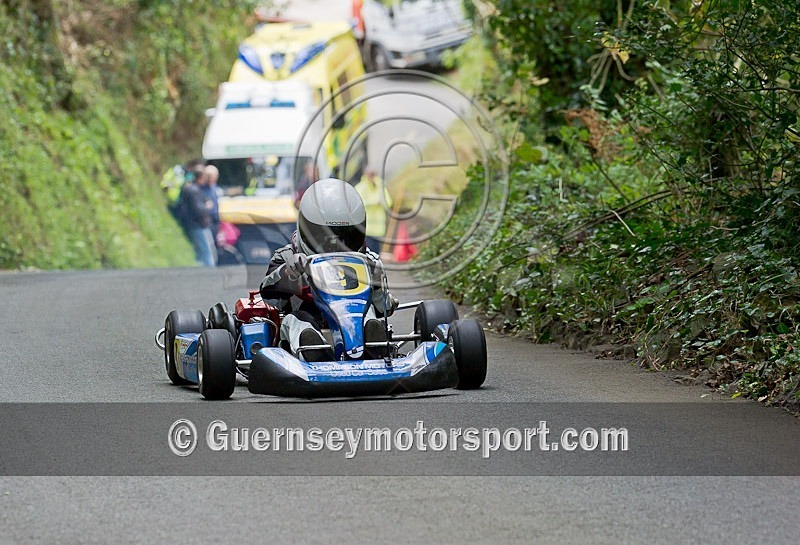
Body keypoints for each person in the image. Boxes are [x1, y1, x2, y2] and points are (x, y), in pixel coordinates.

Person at [259, 178, 399, 362]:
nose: (334, 245)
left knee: (369, 313)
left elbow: (385, 309)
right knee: (297, 321)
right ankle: (313, 351)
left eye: (345, 236)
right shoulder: (287, 256)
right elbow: (267, 293)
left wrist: (378, 284)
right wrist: (288, 272)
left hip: (353, 317)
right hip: (308, 317)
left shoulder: (368, 261)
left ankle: (374, 345)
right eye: (324, 235)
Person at [178, 165, 217, 267]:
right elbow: (198, 210)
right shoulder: (193, 190)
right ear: (201, 177)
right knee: (206, 253)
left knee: (202, 252)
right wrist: (208, 207)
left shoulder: (194, 189)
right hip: (197, 225)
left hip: (197, 225)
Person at [354, 168, 393, 254]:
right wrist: (374, 202)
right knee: (368, 253)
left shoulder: (380, 186)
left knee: (376, 254)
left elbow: (388, 202)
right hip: (366, 229)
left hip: (378, 229)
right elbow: (357, 204)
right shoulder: (360, 187)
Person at [201, 164, 221, 246]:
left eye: (212, 176)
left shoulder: (216, 188)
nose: (210, 178)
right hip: (206, 221)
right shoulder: (200, 189)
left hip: (216, 220)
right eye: (208, 176)